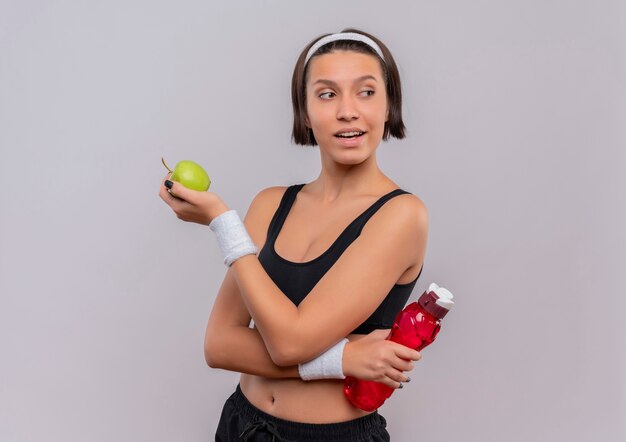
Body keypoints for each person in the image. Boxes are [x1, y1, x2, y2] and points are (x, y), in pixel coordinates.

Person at [159, 28, 428, 441]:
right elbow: (220, 346)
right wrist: (344, 358)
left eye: (366, 92)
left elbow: (290, 343)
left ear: (390, 106)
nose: (348, 111)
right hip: (240, 424)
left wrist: (223, 222)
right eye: (326, 94)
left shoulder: (401, 216)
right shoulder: (270, 204)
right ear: (303, 112)